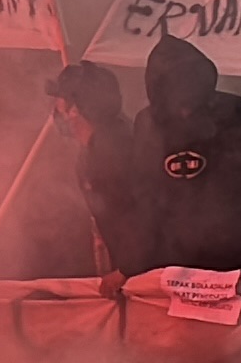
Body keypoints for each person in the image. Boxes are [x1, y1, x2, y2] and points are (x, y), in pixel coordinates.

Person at [128, 35, 241, 278]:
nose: (183, 95)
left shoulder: (232, 112)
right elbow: (144, 197)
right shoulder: (148, 124)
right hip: (178, 268)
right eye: (172, 85)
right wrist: (132, 265)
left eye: (188, 81)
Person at [44, 63, 161, 275]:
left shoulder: (114, 151)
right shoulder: (98, 146)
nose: (54, 109)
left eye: (59, 101)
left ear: (76, 110)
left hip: (146, 274)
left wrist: (127, 269)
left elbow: (145, 216)